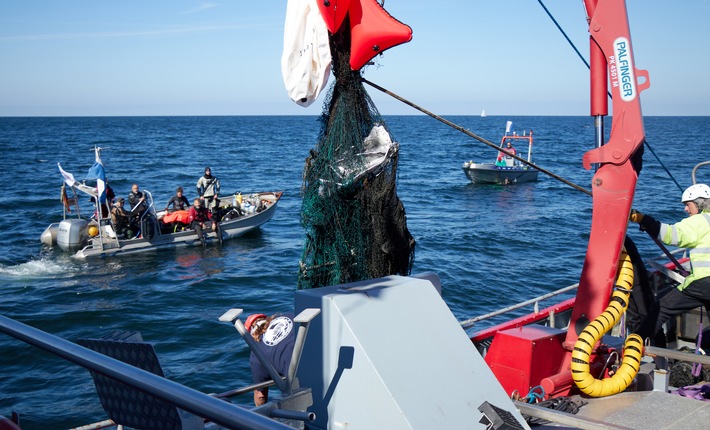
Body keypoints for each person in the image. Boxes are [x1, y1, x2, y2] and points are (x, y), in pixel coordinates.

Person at [632, 183, 710, 345]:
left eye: (688, 205)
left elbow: (670, 235)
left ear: (700, 204)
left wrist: (643, 219)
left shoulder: (700, 221)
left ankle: (635, 347)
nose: (686, 210)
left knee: (661, 309)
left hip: (704, 283)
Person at [245, 313, 296, 406]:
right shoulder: (288, 316)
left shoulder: (256, 355)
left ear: (250, 335)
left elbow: (260, 396)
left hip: (297, 375)